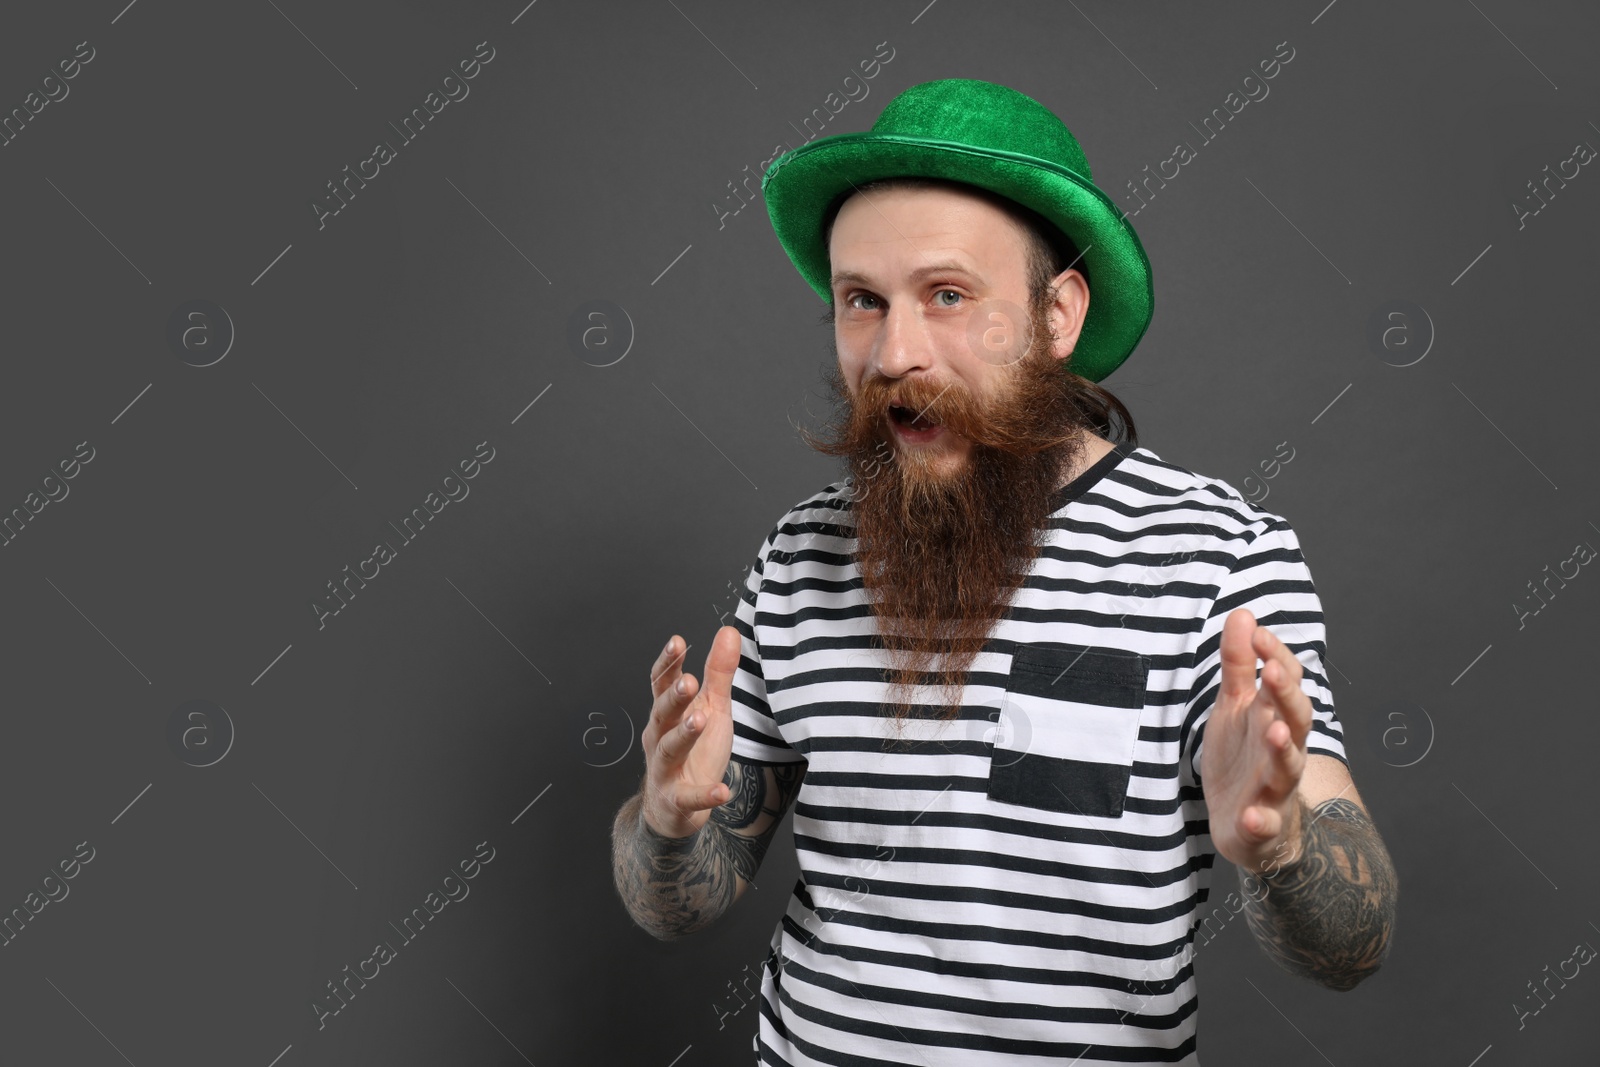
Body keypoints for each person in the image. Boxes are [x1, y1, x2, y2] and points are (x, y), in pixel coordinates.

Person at [611, 78, 1397, 1065]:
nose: (894, 352)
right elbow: (675, 901)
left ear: (1056, 314)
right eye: (862, 301)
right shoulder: (799, 555)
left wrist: (1281, 843)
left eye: (946, 295)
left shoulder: (1218, 558)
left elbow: (1351, 946)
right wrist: (668, 822)